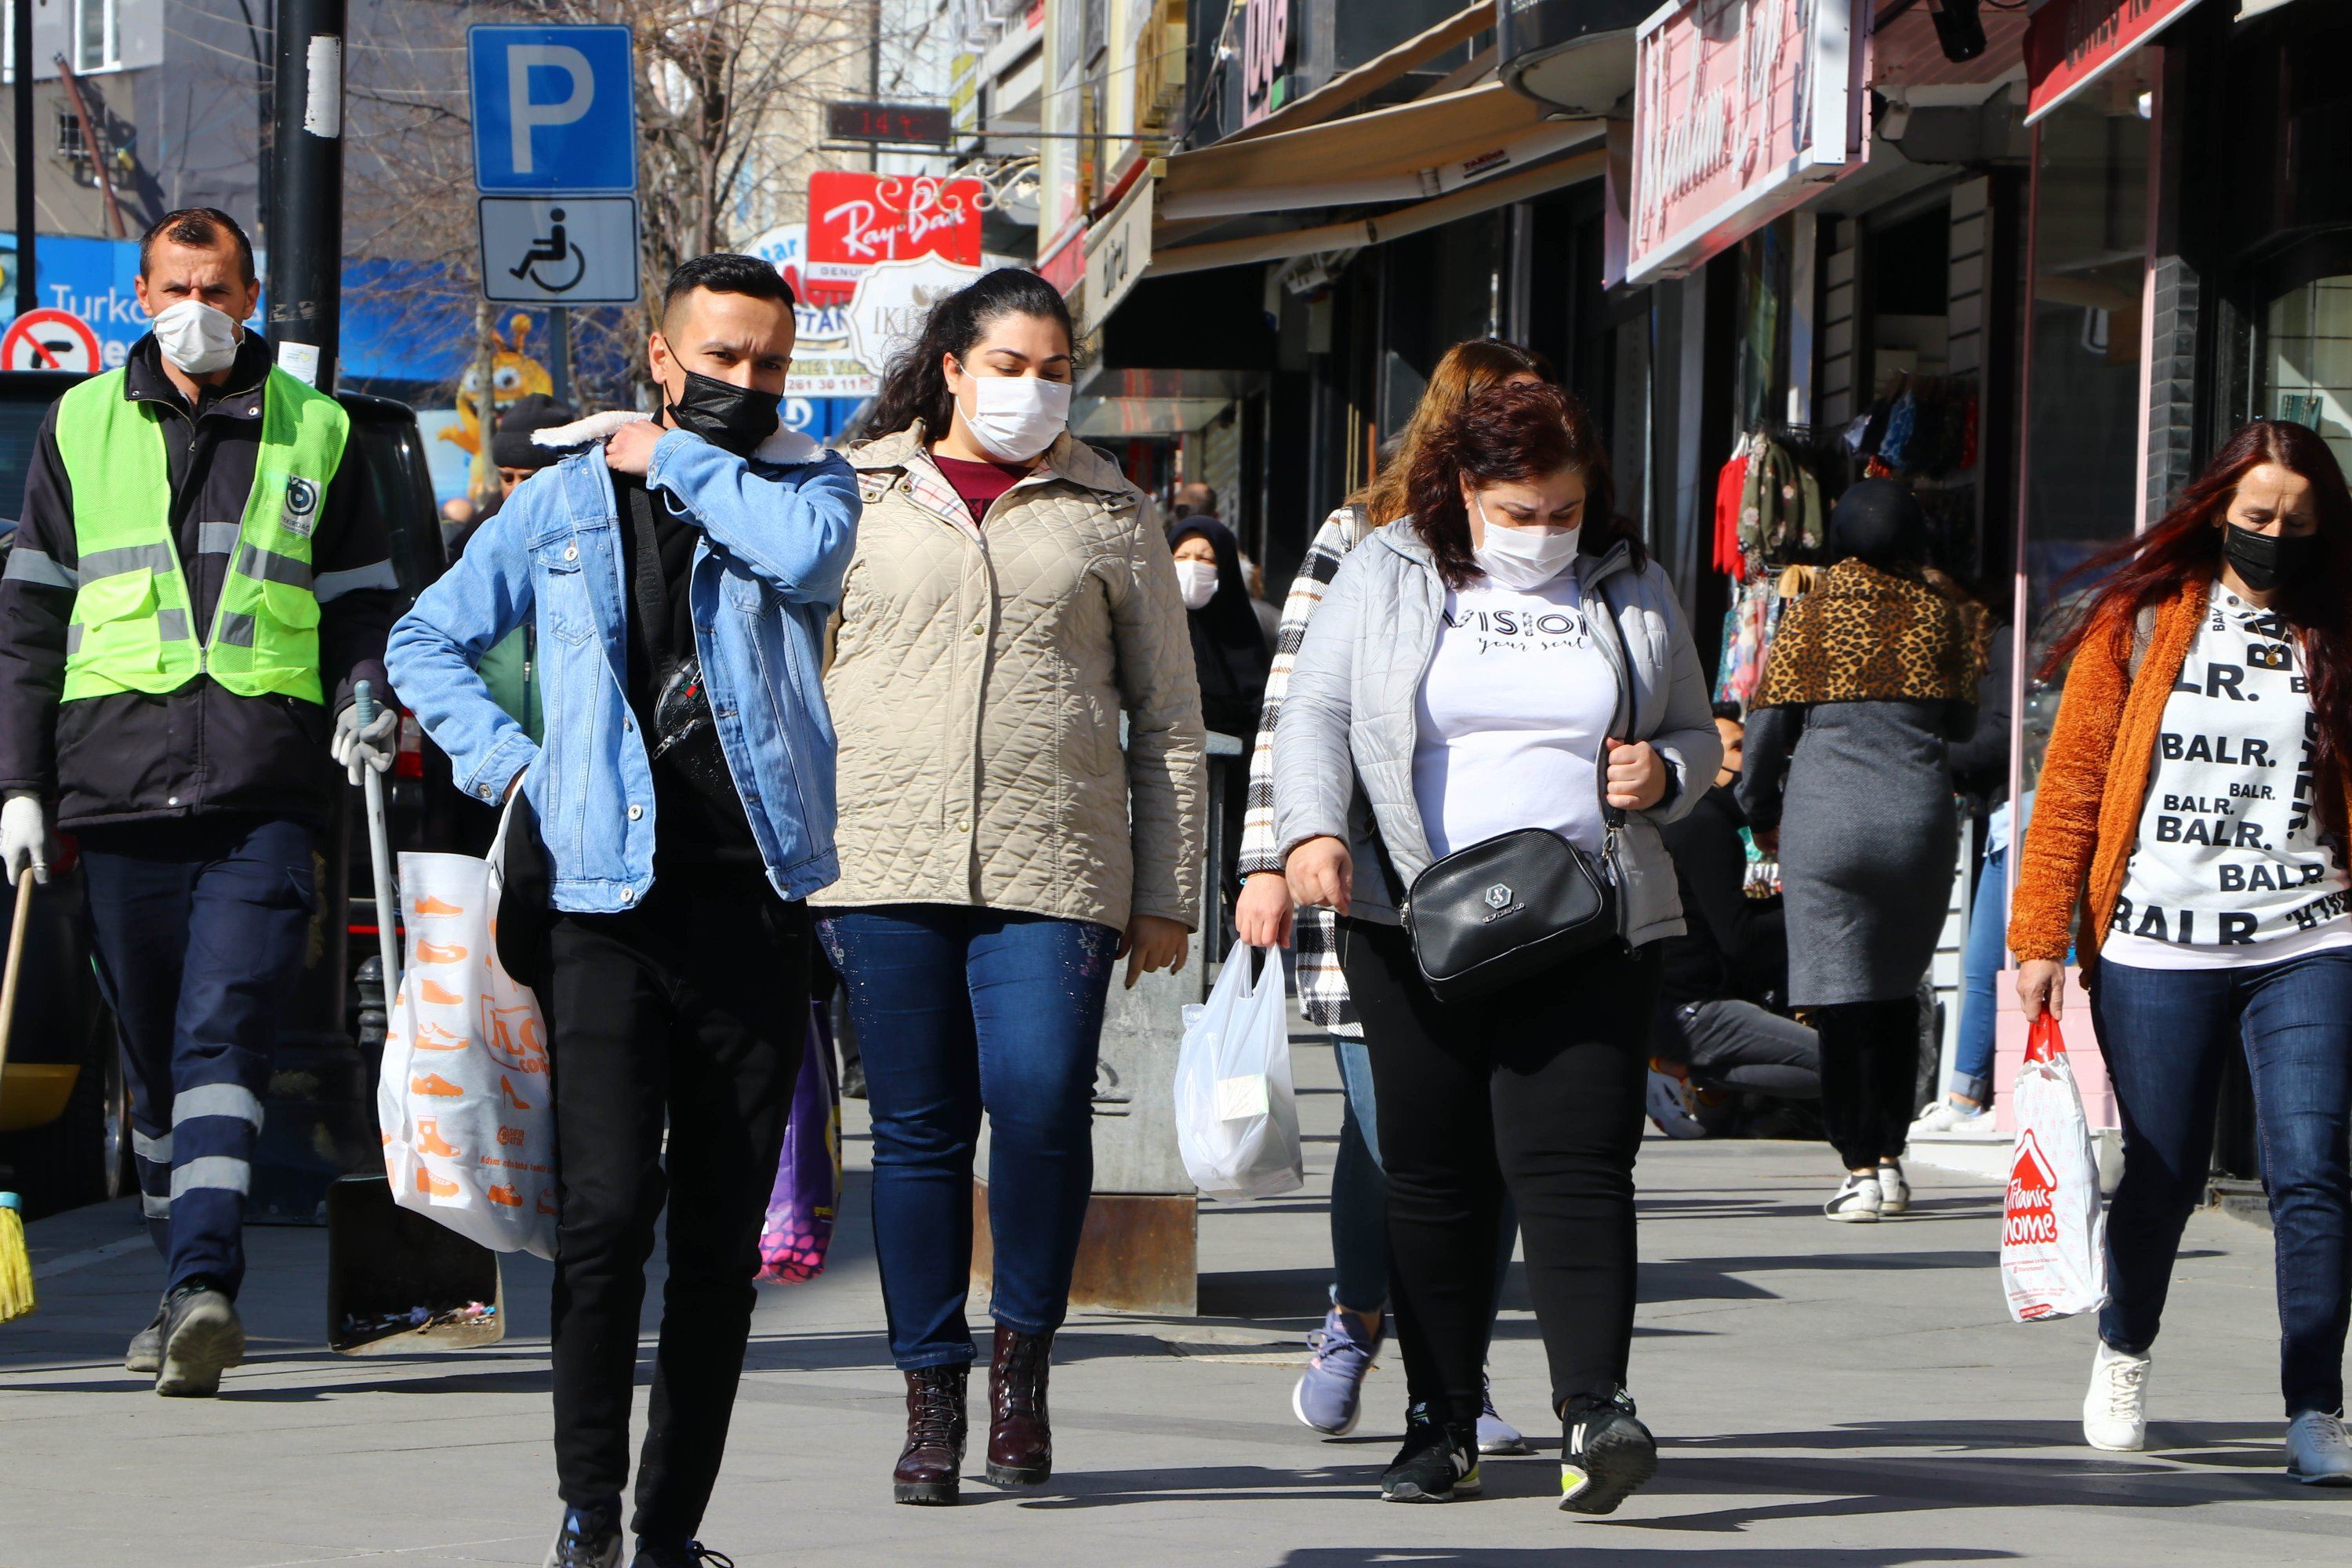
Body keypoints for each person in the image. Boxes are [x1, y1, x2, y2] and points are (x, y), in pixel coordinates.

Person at [388, 252, 860, 1568]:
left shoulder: (805, 480)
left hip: (753, 897)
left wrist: (680, 459)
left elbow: (806, 559)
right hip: (602, 902)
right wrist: (512, 767)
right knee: (602, 1220)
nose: (747, 385)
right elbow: (424, 641)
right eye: (721, 361)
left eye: (769, 364)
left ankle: (669, 1535)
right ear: (663, 357)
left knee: (719, 1249)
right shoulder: (562, 506)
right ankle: (588, 1514)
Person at [1275, 380, 1719, 1511]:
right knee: (1432, 1174)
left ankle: (1596, 1412)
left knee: (1575, 1162)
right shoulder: (1386, 569)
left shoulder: (1630, 576)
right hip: (1412, 917)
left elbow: (1693, 725)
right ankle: (1441, 1420)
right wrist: (1310, 833)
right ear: (1462, 490)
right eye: (1516, 513)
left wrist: (1666, 774)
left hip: (1590, 916)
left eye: (1562, 511)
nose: (1542, 534)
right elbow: (1318, 714)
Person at [813, 267, 1205, 1507]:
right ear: (953, 368)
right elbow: (796, 681)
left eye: (1053, 370)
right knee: (920, 1135)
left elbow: (1172, 721)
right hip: (882, 860)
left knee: (1039, 1108)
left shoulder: (1109, 510)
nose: (1034, 391)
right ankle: (932, 1395)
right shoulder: (854, 490)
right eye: (1011, 367)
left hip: (1060, 863)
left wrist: (1168, 888)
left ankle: (1022, 1367)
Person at [0, 207, 398, 1396]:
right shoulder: (79, 423)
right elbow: (28, 621)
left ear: (253, 294)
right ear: (139, 292)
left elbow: (364, 602)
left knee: (223, 1034)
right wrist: (19, 786)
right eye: (178, 286)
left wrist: (367, 693)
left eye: (219, 288)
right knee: (159, 1067)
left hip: (260, 787)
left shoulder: (315, 428)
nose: (199, 307)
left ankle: (204, 1285)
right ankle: (180, 1282)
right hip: (114, 792)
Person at [2009, 419, 2352, 1483]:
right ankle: (2124, 1349)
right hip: (2156, 939)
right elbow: (2071, 783)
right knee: (2160, 1174)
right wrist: (2038, 934)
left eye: (2298, 522)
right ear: (2217, 512)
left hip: (2314, 933)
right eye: (2257, 518)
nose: (2275, 538)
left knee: (2313, 1172)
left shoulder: (2338, 628)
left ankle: (2314, 1408)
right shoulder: (2146, 618)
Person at [1235, 339, 1550, 1454]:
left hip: (1516, 905)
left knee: (1474, 1144)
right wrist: (1271, 856)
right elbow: (1296, 705)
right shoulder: (1360, 539)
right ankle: (1373, 1330)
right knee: (1413, 1142)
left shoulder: (1553, 551)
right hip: (1368, 897)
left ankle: (1441, 1367)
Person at [1737, 480, 1984, 1222]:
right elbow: (1965, 727)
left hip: (1827, 822)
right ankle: (1892, 1155)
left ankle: (1859, 1168)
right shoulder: (1939, 612)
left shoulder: (1809, 614)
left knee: (1839, 999)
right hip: (1917, 820)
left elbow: (1766, 734)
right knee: (1895, 992)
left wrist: (1759, 812)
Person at [1649, 703, 1820, 1137]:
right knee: (1848, 1065)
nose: (1754, 760)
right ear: (1710, 764)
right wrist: (1813, 910)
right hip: (1693, 1011)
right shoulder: (1705, 826)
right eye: (1740, 747)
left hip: (1673, 1006)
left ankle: (1691, 1072)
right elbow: (1739, 937)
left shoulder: (1691, 819)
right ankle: (1683, 1070)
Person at [1913, 621, 2016, 1134]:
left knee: (1996, 962)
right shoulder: (2010, 640)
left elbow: (2004, 733)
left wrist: (1925, 754)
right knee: (1986, 962)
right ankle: (1966, 1095)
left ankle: (1975, 1095)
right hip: (2008, 812)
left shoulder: (2006, 640)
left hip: (2021, 810)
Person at [1170, 514, 1270, 906]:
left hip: (1232, 799)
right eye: (1182, 556)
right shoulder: (1144, 632)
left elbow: (1259, 708)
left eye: (1207, 559)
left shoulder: (1250, 633)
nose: (1193, 566)